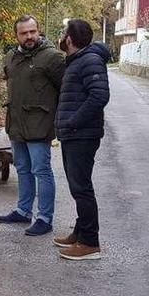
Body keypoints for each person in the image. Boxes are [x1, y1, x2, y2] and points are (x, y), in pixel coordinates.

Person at [0, 15, 66, 236]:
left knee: (41, 171)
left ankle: (45, 218)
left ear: (38, 31)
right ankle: (23, 210)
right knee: (23, 170)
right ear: (16, 35)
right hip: (16, 124)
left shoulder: (53, 58)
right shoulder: (11, 57)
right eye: (24, 33)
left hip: (39, 125)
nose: (29, 36)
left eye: (32, 31)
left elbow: (65, 89)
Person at [53, 19, 111, 260]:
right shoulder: (78, 60)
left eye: (63, 33)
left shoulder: (89, 60)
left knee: (82, 187)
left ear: (69, 39)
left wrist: (73, 122)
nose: (61, 37)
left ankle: (89, 242)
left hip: (81, 135)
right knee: (79, 187)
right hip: (73, 135)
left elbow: (99, 96)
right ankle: (80, 231)